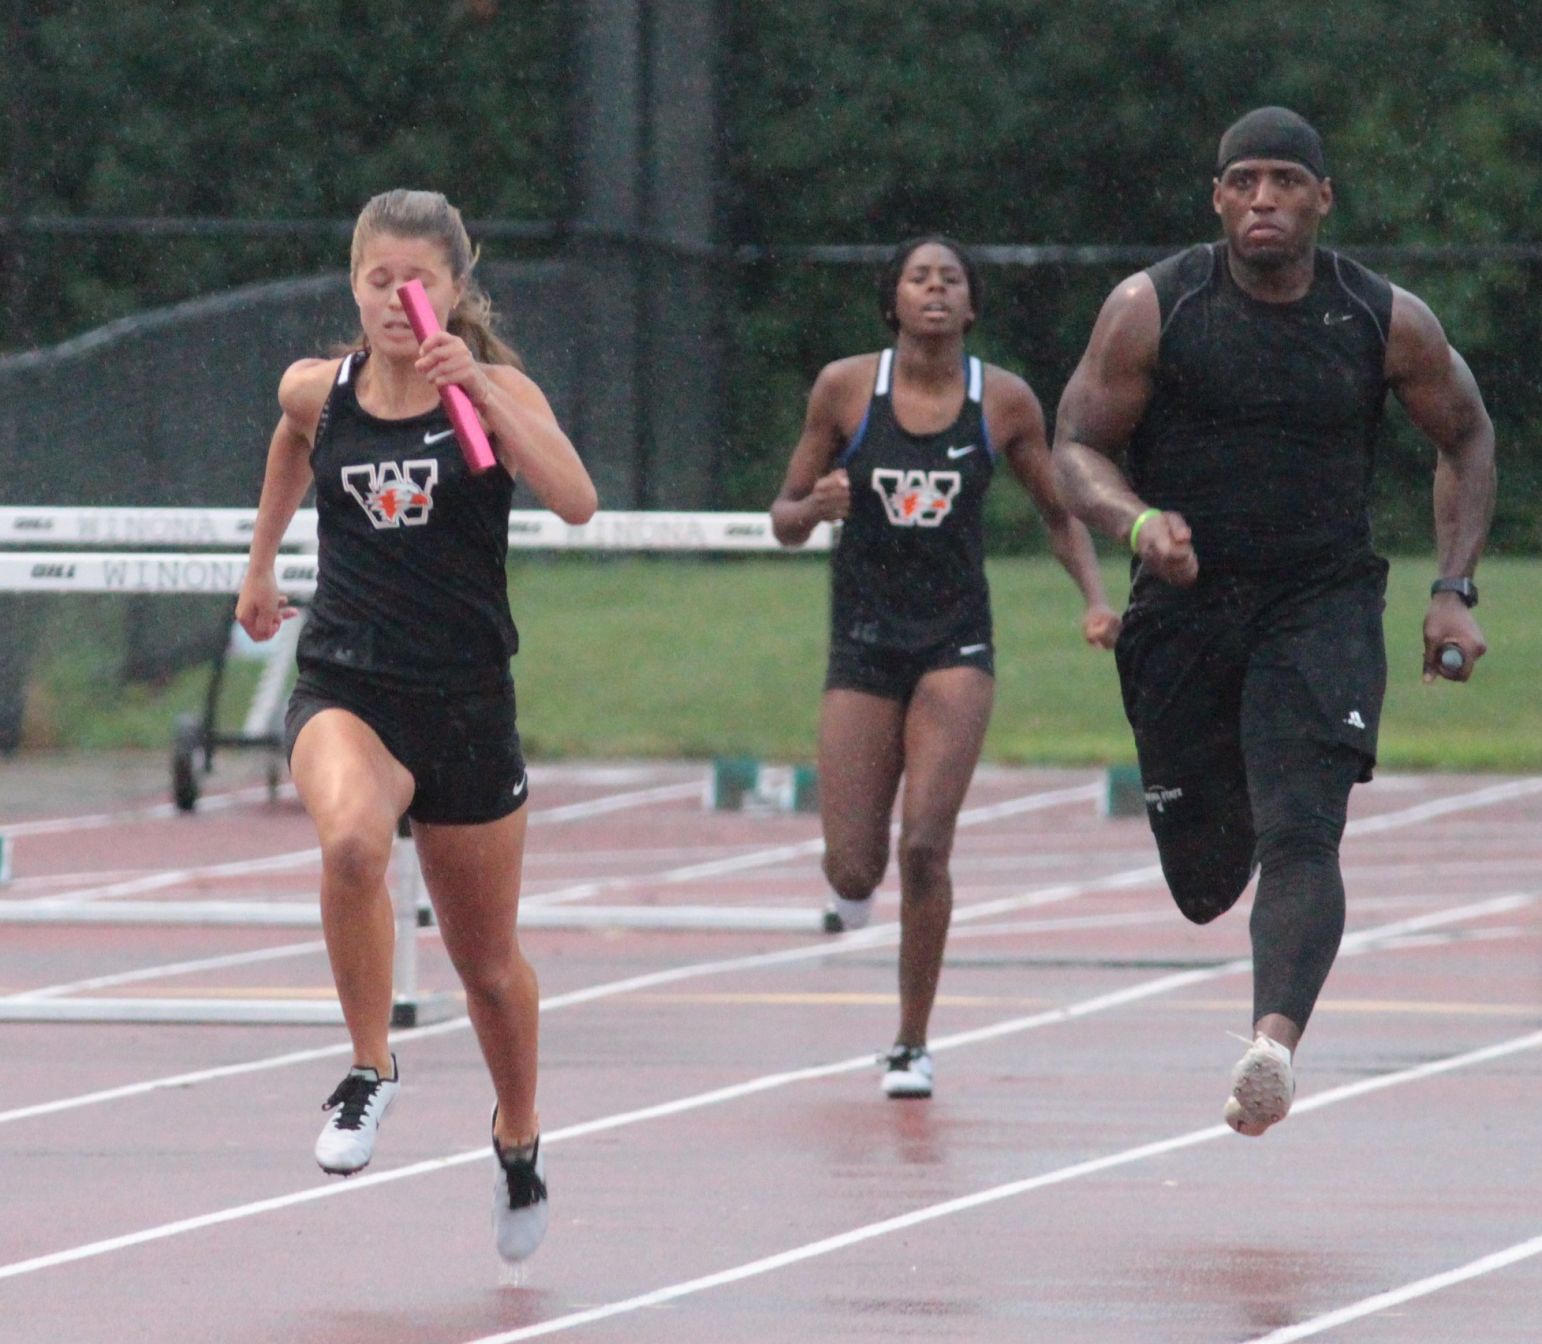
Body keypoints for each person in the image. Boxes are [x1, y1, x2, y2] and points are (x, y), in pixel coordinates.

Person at [1051, 108, 1495, 1136]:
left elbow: (1467, 436)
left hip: (1321, 599)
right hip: (1186, 603)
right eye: (1244, 181)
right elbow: (1077, 448)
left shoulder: (1384, 319)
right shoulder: (1152, 308)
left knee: (1305, 829)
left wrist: (1453, 587)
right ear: (1217, 198)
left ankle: (1273, 1045)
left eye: (1285, 182)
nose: (1264, 200)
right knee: (1205, 881)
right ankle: (1248, 804)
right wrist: (1138, 520)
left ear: (1322, 199)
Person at [235, 188, 596, 1258]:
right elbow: (291, 442)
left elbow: (576, 500)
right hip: (349, 681)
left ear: (455, 286)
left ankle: (519, 1137)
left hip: (468, 702)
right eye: (379, 279)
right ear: (354, 285)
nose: (400, 298)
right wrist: (260, 567)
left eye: (420, 279)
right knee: (351, 839)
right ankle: (368, 1066)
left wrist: (478, 385)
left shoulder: (492, 391)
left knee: (489, 970)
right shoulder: (320, 386)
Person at [771, 235, 1121, 1099]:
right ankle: (852, 890)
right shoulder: (846, 389)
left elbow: (1057, 510)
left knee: (926, 844)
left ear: (970, 306)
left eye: (951, 280)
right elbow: (782, 517)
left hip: (955, 642)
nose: (934, 291)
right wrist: (813, 506)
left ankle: (910, 1043)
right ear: (893, 300)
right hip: (862, 641)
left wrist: (1094, 595)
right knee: (854, 867)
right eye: (919, 279)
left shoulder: (1001, 401)